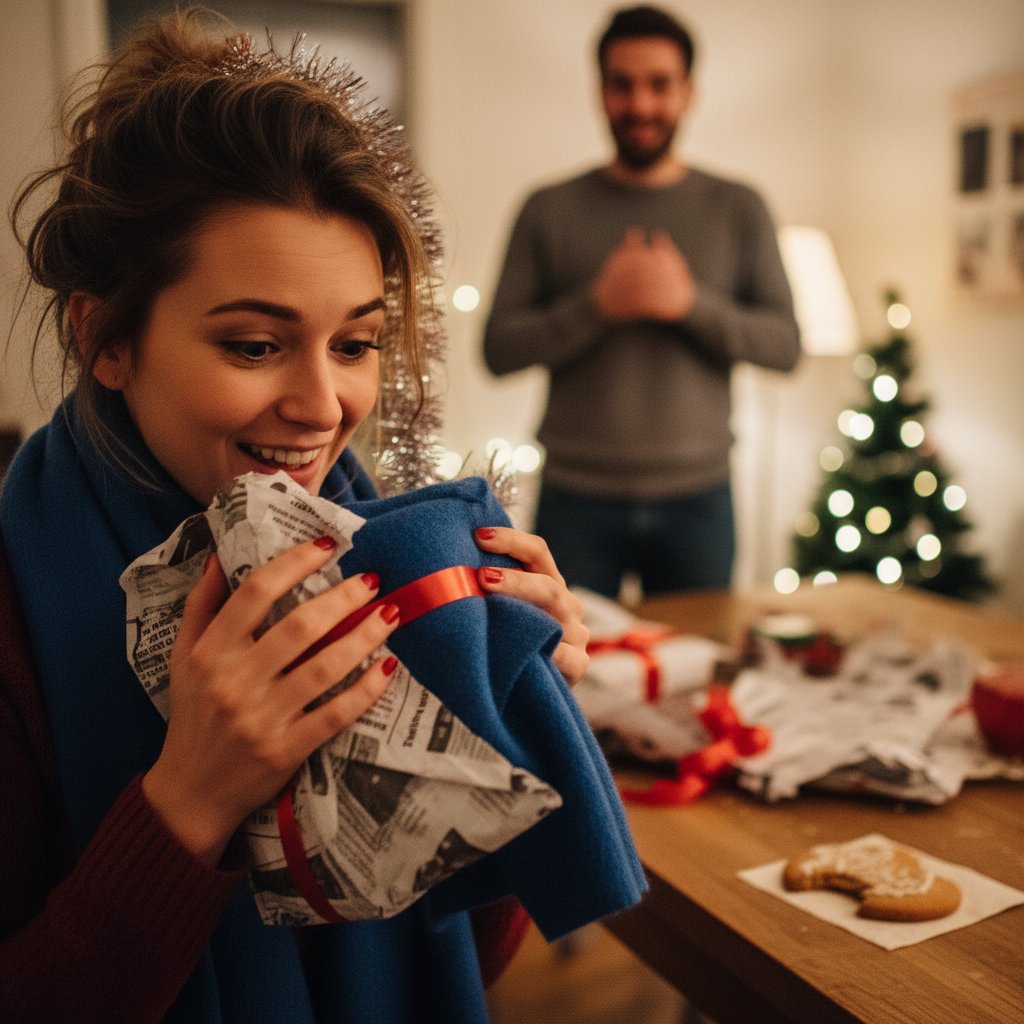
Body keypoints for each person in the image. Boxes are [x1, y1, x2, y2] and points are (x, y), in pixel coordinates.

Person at [0, 10, 593, 1023]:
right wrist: (187, 801)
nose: (323, 409)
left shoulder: (386, 557)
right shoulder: (14, 614)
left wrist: (518, 717)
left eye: (355, 344)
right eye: (253, 345)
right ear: (105, 337)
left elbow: (456, 958)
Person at [484, 5, 801, 599]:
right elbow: (498, 349)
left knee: (695, 678)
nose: (641, 105)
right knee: (565, 677)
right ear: (599, 90)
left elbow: (785, 346)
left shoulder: (738, 206)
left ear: (689, 91)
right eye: (622, 84)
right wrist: (598, 303)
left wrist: (688, 303)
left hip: (700, 501)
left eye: (660, 84)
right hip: (575, 499)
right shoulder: (547, 208)